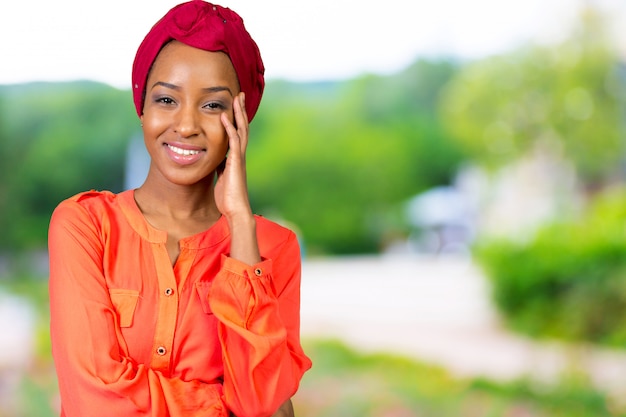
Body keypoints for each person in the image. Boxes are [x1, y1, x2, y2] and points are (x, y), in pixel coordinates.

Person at [48, 1, 312, 416]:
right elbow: (95, 400)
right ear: (142, 108)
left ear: (240, 122)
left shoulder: (273, 249)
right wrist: (226, 405)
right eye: (167, 100)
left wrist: (241, 224)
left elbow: (260, 401)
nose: (186, 124)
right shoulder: (85, 226)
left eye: (212, 106)